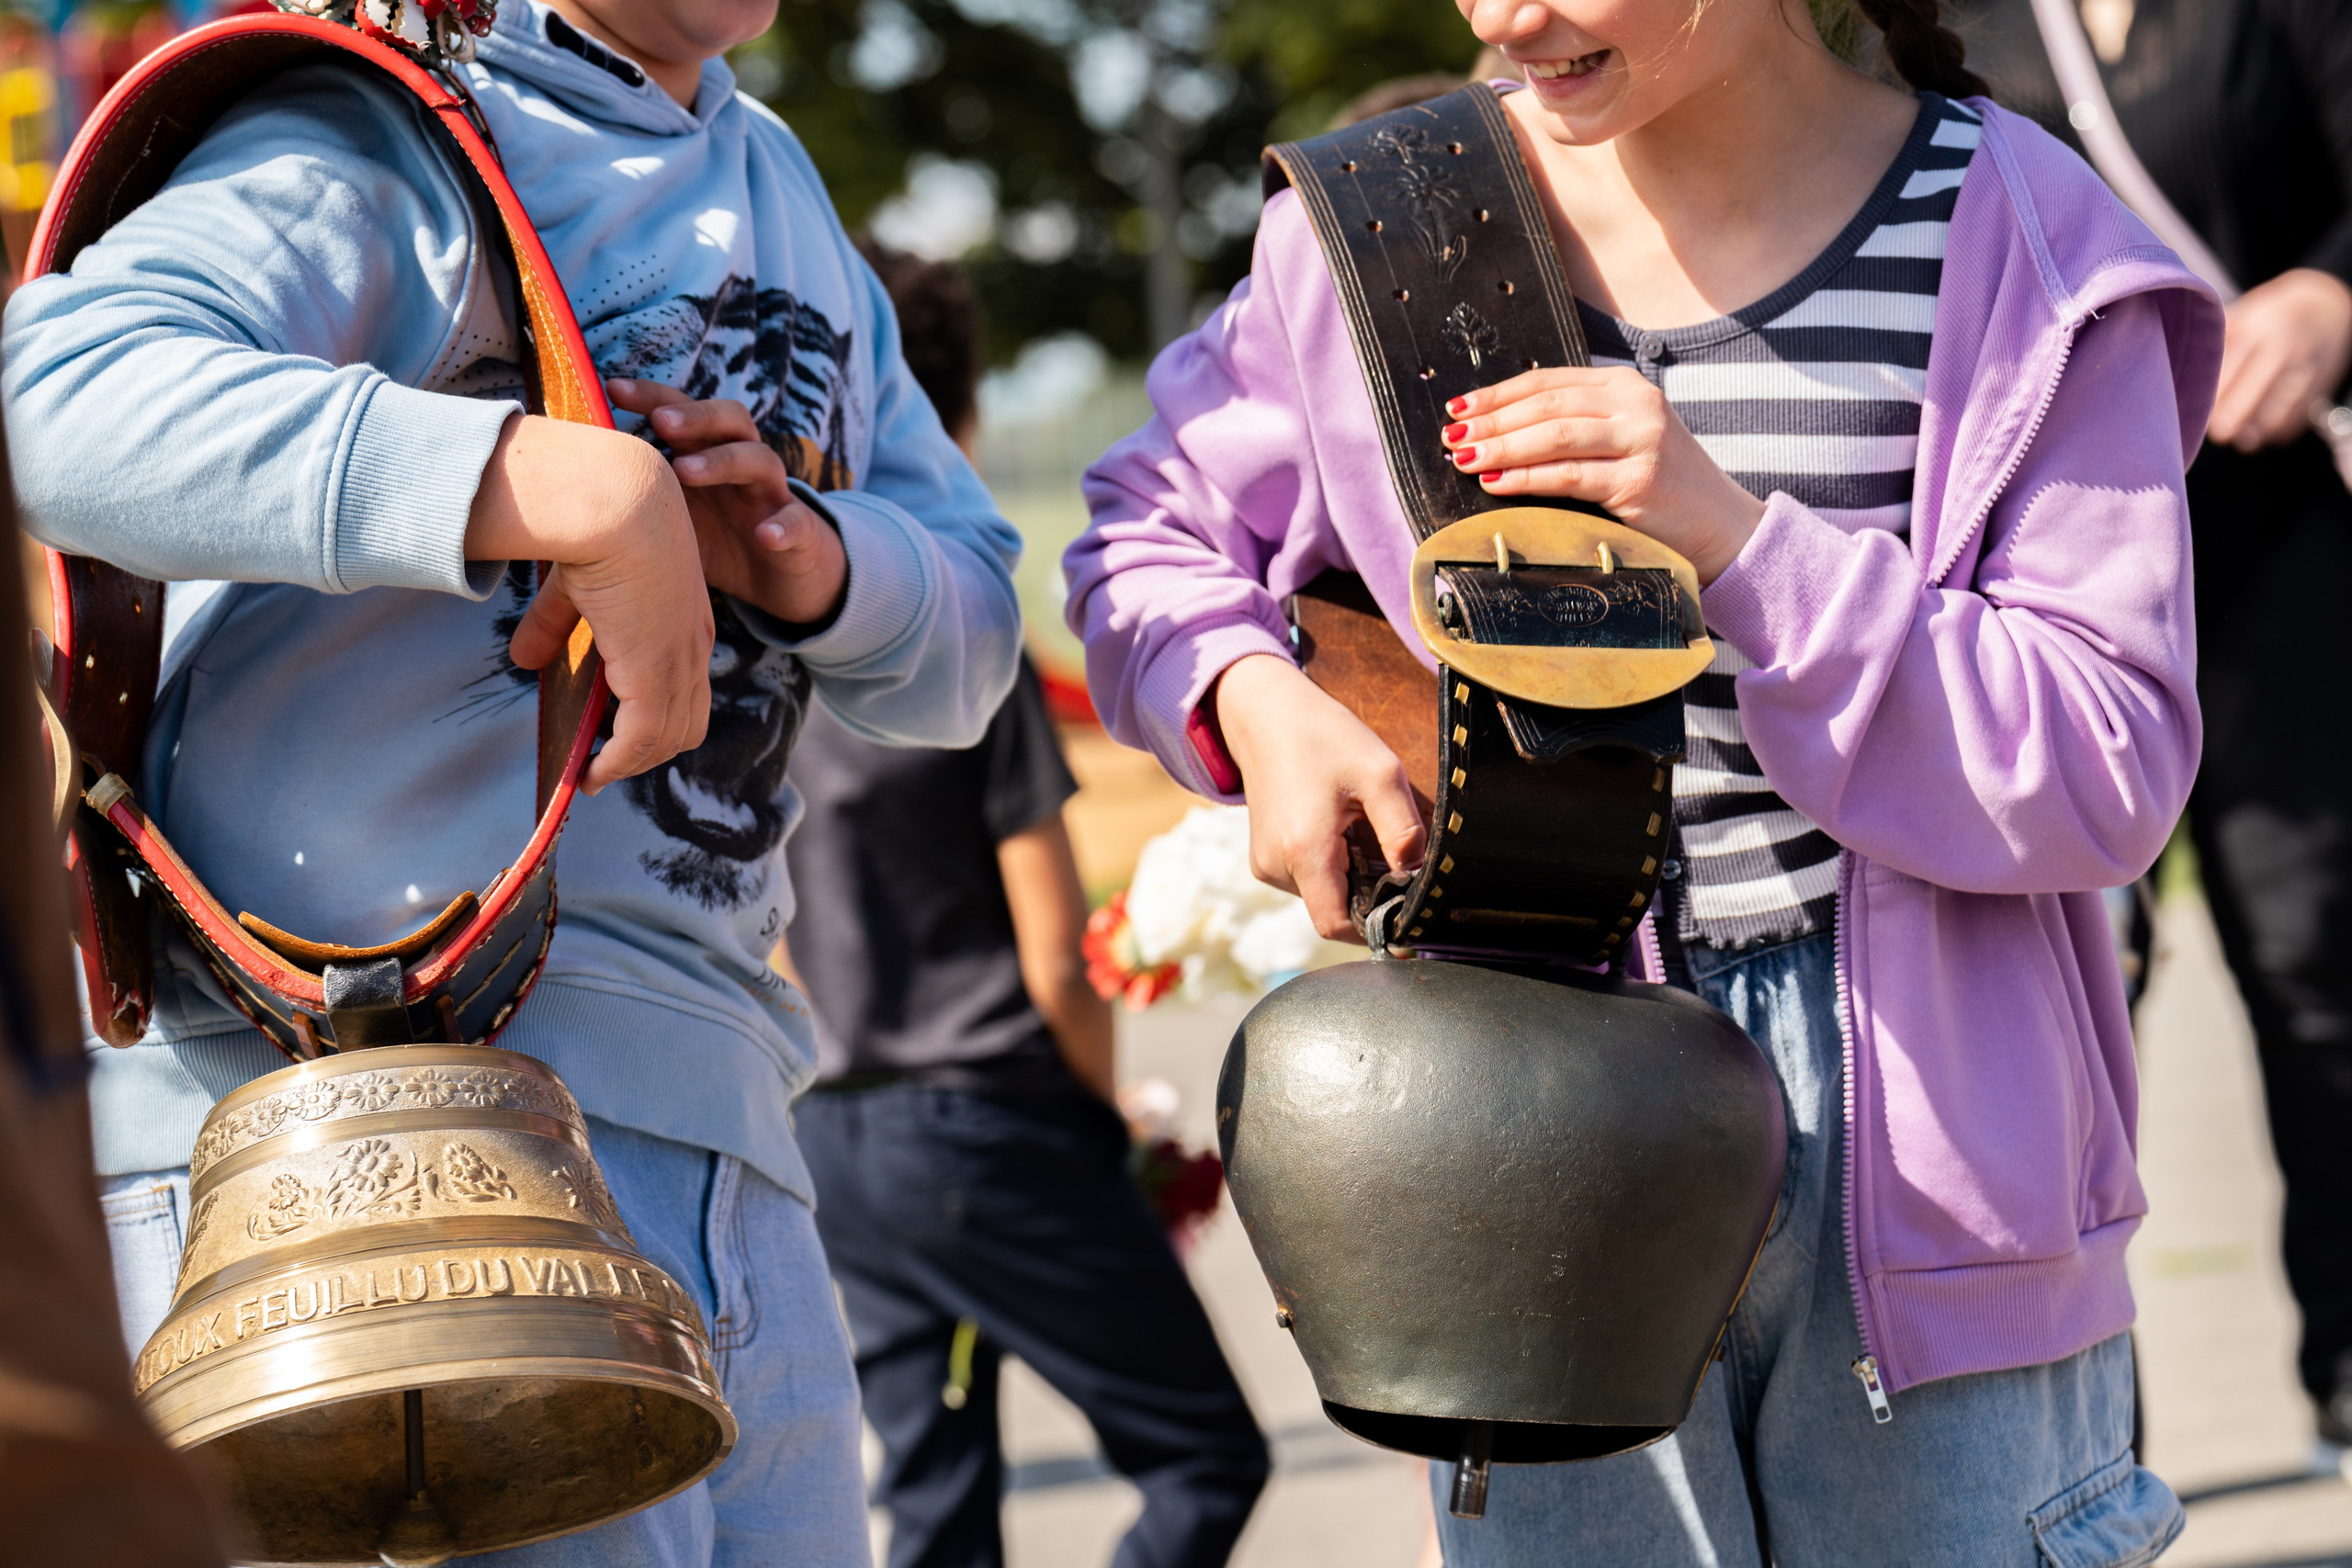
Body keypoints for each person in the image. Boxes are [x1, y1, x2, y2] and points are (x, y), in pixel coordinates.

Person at [1065, 0, 2222, 1555]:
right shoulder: (1384, 228)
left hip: (1943, 1186)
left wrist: (1737, 539)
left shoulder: (2019, 237)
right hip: (1519, 1154)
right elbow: (1146, 536)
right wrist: (1249, 694)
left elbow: (2103, 765)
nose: (1504, 14)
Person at [2, 1, 1021, 1562]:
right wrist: (557, 484)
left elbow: (971, 637)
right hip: (346, 1154)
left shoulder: (777, 173)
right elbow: (54, 399)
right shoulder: (385, 125)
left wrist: (805, 557)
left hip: (728, 1147)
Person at [785, 240, 1270, 1568]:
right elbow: (1057, 955)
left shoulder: (777, 646)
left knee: (934, 1498)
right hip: (994, 1122)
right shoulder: (956, 631)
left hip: (835, 1132)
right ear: (969, 412)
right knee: (1206, 1457)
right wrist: (1114, 1125)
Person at [1949, 0, 2352, 1455]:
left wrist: (2331, 293)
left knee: (2315, 952)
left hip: (2275, 544)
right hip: (2042, 556)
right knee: (2052, 987)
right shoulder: (1940, 29)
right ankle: (2073, 1428)